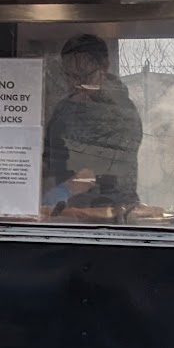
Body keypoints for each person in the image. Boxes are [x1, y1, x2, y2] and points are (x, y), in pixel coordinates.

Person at [43, 33, 143, 214]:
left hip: (111, 211)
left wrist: (62, 191)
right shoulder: (64, 108)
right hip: (68, 212)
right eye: (70, 76)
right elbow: (48, 158)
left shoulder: (120, 109)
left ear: (104, 67)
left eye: (84, 75)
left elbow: (97, 170)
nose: (77, 83)